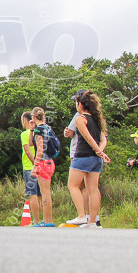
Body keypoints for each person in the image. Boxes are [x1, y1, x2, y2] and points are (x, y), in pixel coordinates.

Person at [64, 90, 110, 228]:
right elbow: (103, 139)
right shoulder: (97, 120)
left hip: (83, 156)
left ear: (80, 104)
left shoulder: (80, 118)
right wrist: (100, 152)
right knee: (93, 190)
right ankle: (92, 222)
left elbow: (87, 138)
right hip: (96, 160)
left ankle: (81, 215)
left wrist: (97, 150)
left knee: (72, 185)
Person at [62, 90, 94, 225]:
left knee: (76, 185)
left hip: (78, 151)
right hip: (93, 154)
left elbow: (69, 133)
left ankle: (82, 215)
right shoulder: (96, 115)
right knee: (89, 187)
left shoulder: (79, 115)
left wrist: (66, 132)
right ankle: (91, 217)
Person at [29, 107, 56, 226]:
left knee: (44, 193)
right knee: (47, 192)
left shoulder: (39, 130)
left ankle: (46, 221)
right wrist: (31, 129)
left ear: (34, 117)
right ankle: (49, 220)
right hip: (50, 161)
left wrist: (35, 164)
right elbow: (31, 143)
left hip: (42, 162)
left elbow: (40, 148)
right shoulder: (47, 128)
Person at [20, 111, 40, 222]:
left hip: (29, 167)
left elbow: (27, 151)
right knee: (42, 195)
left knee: (33, 195)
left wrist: (34, 163)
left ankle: (36, 220)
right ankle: (46, 219)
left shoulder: (25, 134)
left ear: (25, 120)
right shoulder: (38, 132)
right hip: (41, 167)